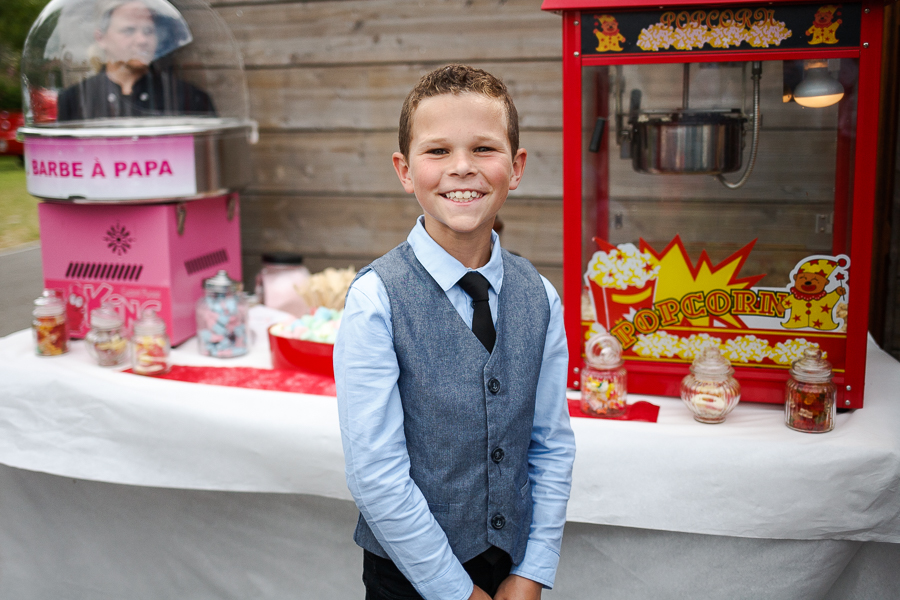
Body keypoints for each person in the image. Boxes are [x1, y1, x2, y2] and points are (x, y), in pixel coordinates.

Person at [334, 64, 576, 600]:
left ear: (515, 168)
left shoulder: (540, 296)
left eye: (484, 150)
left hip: (511, 568)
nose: (461, 169)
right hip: (410, 576)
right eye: (438, 151)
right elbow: (376, 474)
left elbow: (551, 444)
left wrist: (534, 568)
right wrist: (454, 591)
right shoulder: (375, 299)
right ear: (404, 169)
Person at [56, 0, 214, 121]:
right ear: (101, 38)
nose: (142, 40)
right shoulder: (74, 99)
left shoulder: (188, 97)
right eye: (129, 30)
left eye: (148, 31)